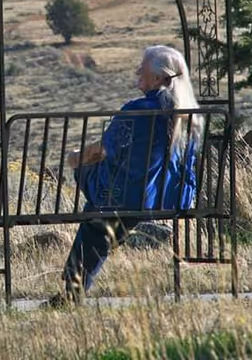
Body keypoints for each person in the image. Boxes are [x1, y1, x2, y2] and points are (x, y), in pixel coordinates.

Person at [46, 45, 202, 307]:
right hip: (173, 198)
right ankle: (82, 273)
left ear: (158, 78)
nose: (137, 70)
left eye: (143, 67)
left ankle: (74, 287)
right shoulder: (191, 116)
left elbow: (103, 150)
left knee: (90, 187)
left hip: (131, 198)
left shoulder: (137, 110)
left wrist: (74, 157)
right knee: (98, 214)